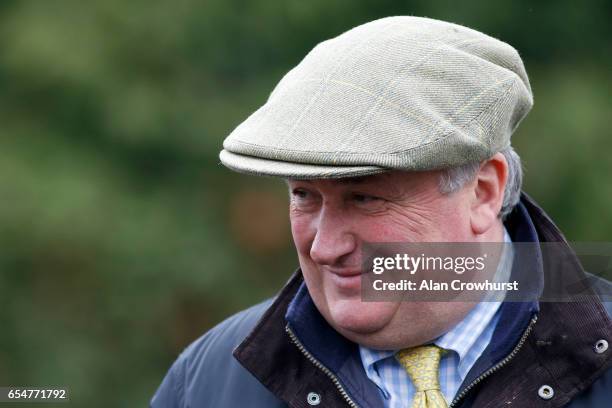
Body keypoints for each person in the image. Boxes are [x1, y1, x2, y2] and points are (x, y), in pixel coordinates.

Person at [151, 16, 612, 407]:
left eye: (365, 198)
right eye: (303, 196)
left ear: (483, 193)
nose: (326, 246)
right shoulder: (207, 381)